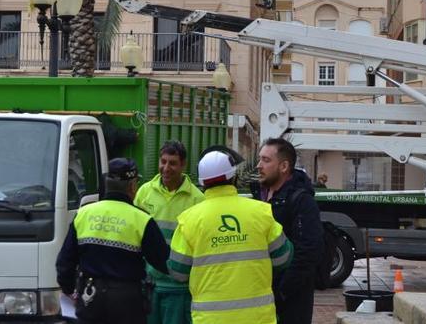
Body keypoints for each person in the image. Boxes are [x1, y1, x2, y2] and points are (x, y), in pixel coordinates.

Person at [168, 148, 293, 324]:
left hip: (210, 319)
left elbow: (178, 271)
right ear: (233, 178)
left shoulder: (189, 220)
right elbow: (283, 257)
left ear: (203, 184)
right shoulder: (260, 212)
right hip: (258, 318)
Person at [56, 158, 169, 324]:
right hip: (127, 302)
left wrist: (70, 290)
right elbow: (163, 261)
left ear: (106, 184)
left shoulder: (83, 214)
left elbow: (64, 262)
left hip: (90, 297)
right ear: (132, 186)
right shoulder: (142, 220)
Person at [134, 141, 206, 324]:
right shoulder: (144, 193)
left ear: (183, 165)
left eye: (172, 163)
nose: (166, 168)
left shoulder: (197, 199)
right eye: (163, 161)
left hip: (179, 289)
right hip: (149, 285)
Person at [255, 138, 324, 324]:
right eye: (260, 159)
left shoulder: (302, 201)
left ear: (284, 166)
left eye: (266, 160)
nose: (259, 165)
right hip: (262, 300)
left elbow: (308, 252)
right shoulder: (258, 197)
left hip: (290, 304)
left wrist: (282, 291)